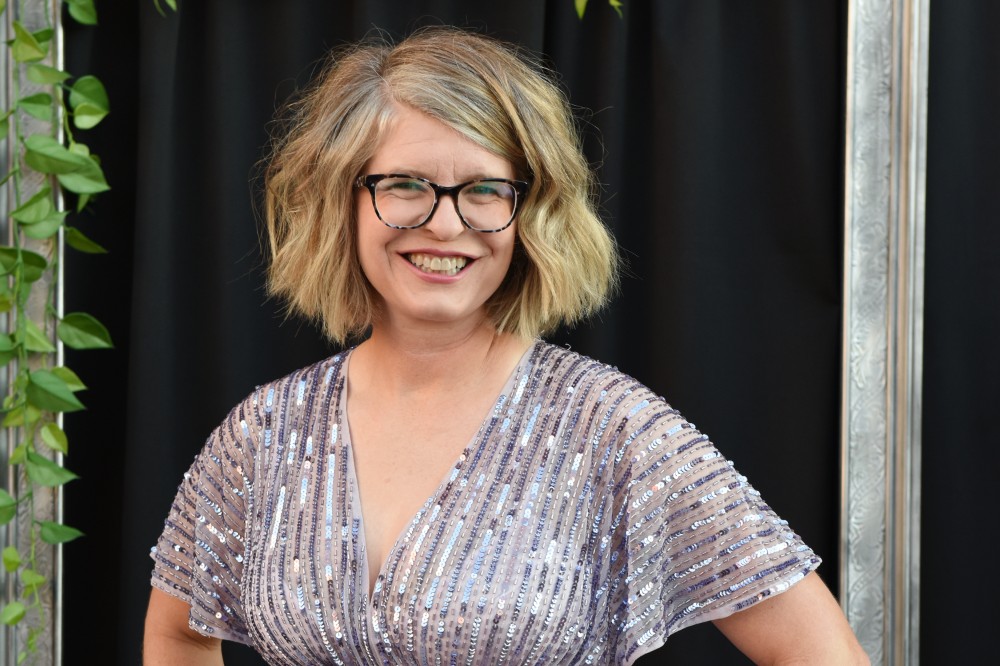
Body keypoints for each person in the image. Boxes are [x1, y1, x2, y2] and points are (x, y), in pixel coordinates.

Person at [143, 27, 868, 665]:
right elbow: (178, 634)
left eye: (485, 190)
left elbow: (819, 651)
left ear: (533, 213)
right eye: (406, 184)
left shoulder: (612, 427)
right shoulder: (264, 432)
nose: (444, 224)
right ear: (344, 199)